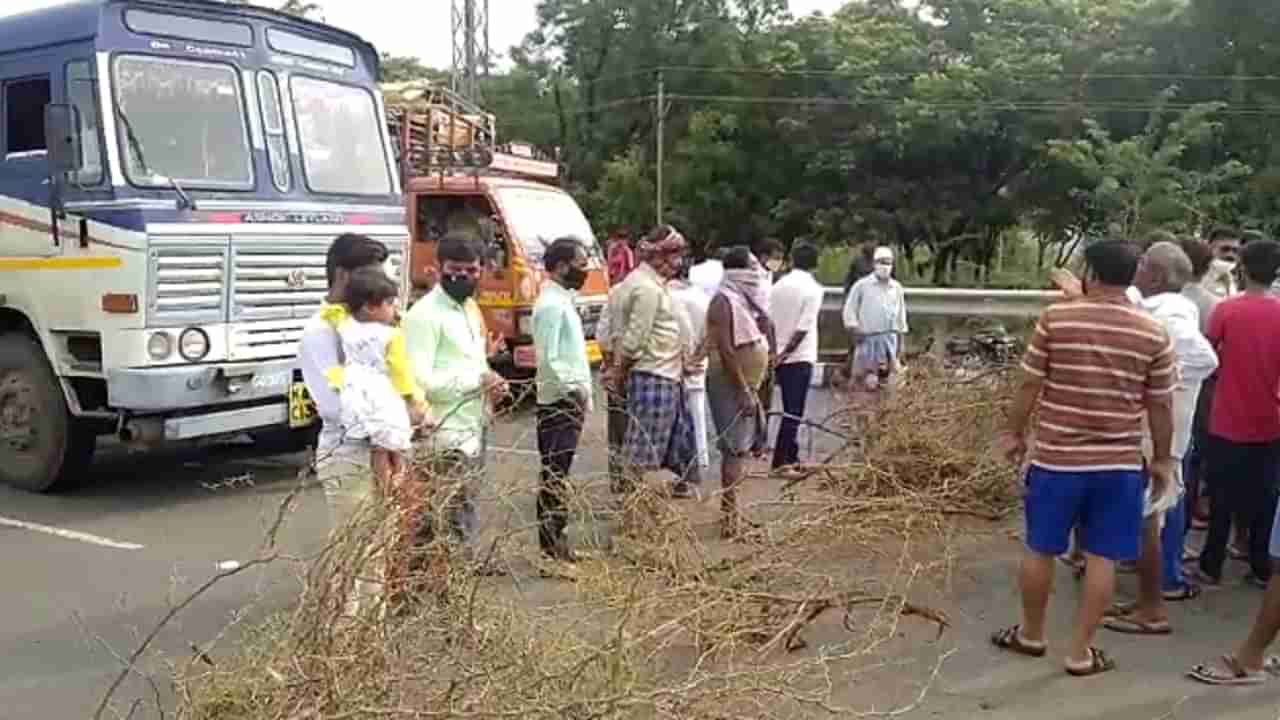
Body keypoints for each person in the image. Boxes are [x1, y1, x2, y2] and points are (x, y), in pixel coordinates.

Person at [993, 239, 1176, 678]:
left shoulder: (1057, 319)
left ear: (1090, 273)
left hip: (1057, 461)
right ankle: (1080, 653)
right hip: (1117, 465)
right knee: (1102, 557)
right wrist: (1164, 460)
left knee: (1041, 548)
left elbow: (1028, 386)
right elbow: (1161, 406)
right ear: (1132, 277)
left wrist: (1013, 432)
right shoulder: (1152, 332)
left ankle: (1032, 634)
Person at [1100, 242, 1217, 636]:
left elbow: (1205, 359)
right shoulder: (1160, 309)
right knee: (1148, 520)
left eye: (1144, 263)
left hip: (1161, 437)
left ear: (1156, 276)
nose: (1138, 267)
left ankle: (1152, 611)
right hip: (1157, 432)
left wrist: (1163, 383)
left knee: (1151, 522)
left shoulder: (1172, 316)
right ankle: (1146, 602)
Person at [1187, 241, 1280, 686]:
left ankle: (1211, 565)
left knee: (1219, 496)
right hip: (1270, 421)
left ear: (1241, 269)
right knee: (1264, 500)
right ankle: (1261, 565)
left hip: (1227, 416)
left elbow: (1209, 358)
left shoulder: (1227, 311)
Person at [297, 233, 391, 615]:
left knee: (379, 555)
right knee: (355, 553)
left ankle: (372, 644)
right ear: (341, 276)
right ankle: (343, 645)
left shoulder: (367, 326)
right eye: (369, 275)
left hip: (382, 448)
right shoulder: (321, 332)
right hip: (349, 452)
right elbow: (337, 406)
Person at [403, 234, 509, 570]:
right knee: (434, 519)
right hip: (442, 434)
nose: (463, 277)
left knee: (463, 507)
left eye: (471, 270)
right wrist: (475, 383)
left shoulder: (469, 309)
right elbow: (418, 381)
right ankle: (429, 590)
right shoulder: (424, 316)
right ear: (438, 269)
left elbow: (474, 363)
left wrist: (490, 381)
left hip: (472, 426)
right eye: (455, 270)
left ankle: (459, 575)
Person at [608, 225, 700, 498]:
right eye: (674, 255)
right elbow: (634, 341)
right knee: (643, 456)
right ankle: (637, 519)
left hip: (664, 376)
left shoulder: (651, 284)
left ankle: (642, 514)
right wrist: (619, 376)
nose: (678, 262)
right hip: (653, 377)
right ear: (657, 256)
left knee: (655, 453)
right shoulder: (645, 288)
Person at [322, 269, 430, 488]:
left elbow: (331, 313)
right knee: (395, 439)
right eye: (389, 303)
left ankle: (383, 483)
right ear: (370, 307)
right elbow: (400, 372)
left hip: (354, 388)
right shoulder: (391, 335)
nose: (394, 309)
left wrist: (344, 307)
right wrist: (411, 398)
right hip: (382, 390)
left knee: (377, 445)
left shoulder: (346, 325)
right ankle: (397, 479)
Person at [531, 237, 594, 563]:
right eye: (580, 264)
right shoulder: (551, 306)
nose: (585, 270)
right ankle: (551, 548)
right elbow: (549, 357)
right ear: (560, 266)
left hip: (568, 399)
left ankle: (558, 543)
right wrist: (572, 389)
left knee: (559, 472)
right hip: (559, 402)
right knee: (554, 474)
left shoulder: (562, 300)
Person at [705, 246, 775, 538]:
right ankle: (729, 518)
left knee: (742, 449)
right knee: (733, 450)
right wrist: (743, 389)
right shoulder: (723, 301)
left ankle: (734, 514)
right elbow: (726, 349)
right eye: (753, 266)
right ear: (739, 271)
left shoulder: (744, 300)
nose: (758, 272)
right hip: (730, 383)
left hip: (746, 382)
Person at [768, 241, 824, 469]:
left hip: (776, 353)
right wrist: (787, 352)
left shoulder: (778, 285)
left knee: (787, 408)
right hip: (799, 356)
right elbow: (803, 328)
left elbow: (768, 321)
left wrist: (775, 352)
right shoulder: (814, 289)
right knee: (794, 411)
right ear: (815, 265)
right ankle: (781, 460)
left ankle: (791, 455)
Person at [1178, 236, 1219, 532]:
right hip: (1203, 393)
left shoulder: (1159, 299)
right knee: (1192, 460)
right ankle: (1181, 526)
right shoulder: (1213, 305)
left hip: (1163, 394)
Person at [842, 247, 909, 399]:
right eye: (881, 262)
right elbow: (849, 310)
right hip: (867, 340)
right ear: (874, 264)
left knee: (891, 386)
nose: (885, 266)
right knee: (864, 386)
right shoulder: (862, 286)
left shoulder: (896, 288)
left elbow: (901, 318)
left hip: (889, 341)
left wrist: (901, 345)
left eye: (888, 263)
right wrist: (854, 330)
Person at [669, 257, 712, 483]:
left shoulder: (666, 297)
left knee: (678, 420)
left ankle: (681, 466)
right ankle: (701, 457)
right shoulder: (702, 297)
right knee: (697, 412)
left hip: (670, 365)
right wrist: (697, 359)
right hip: (697, 362)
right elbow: (710, 333)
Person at [1202, 226, 1241, 300]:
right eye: (1225, 249)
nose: (1230, 254)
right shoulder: (1199, 278)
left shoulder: (1231, 278)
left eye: (1235, 250)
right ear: (1210, 248)